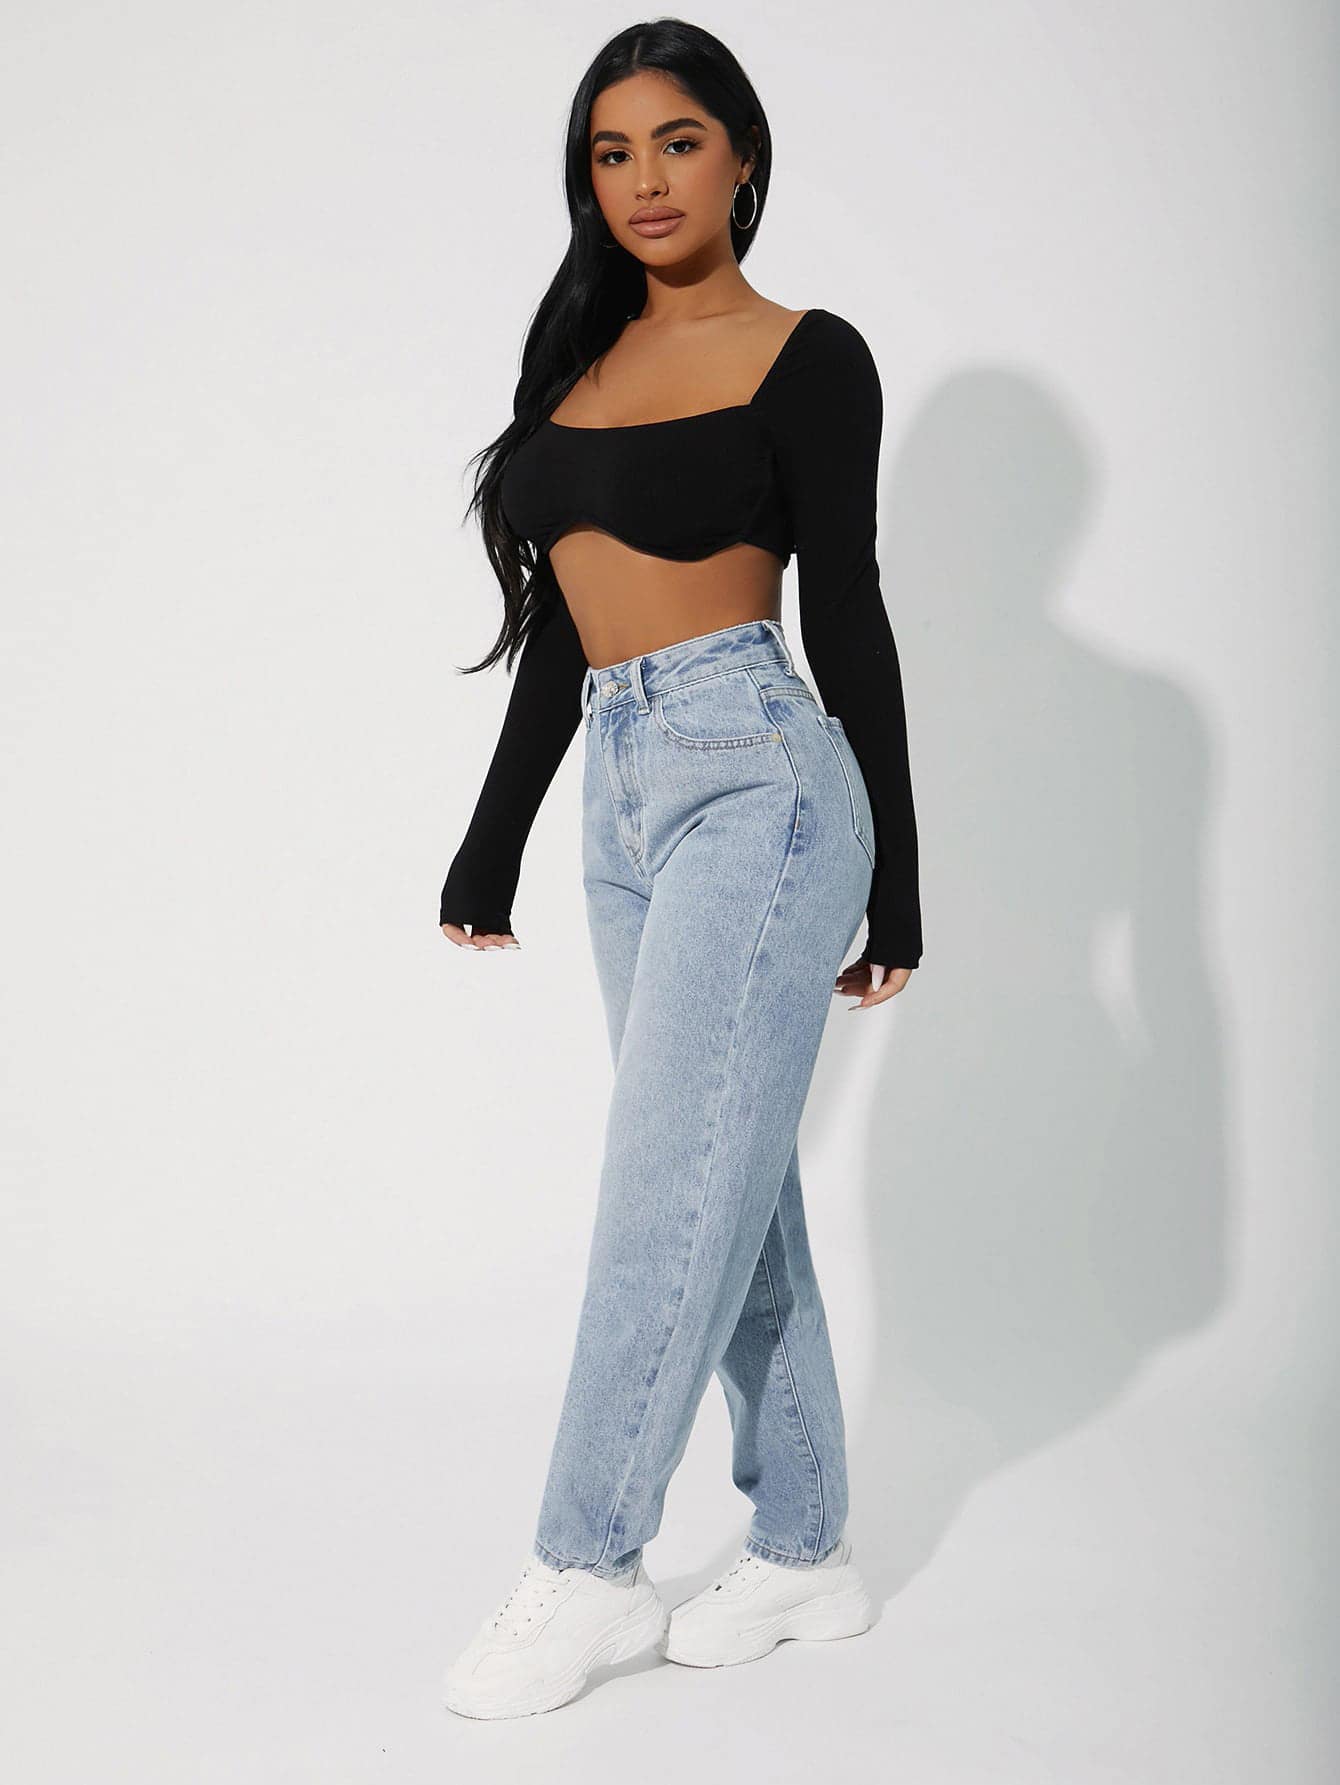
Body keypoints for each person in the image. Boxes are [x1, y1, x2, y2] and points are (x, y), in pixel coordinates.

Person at [438, 20, 922, 1720]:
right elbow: (564, 639)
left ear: (744, 157)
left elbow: (845, 604)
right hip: (622, 800)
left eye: (679, 141)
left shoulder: (807, 354)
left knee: (664, 1186)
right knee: (729, 1176)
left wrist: (901, 875)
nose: (644, 179)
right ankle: (806, 1545)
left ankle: (587, 1565)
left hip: (763, 782)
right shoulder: (575, 364)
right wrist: (492, 840)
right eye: (612, 151)